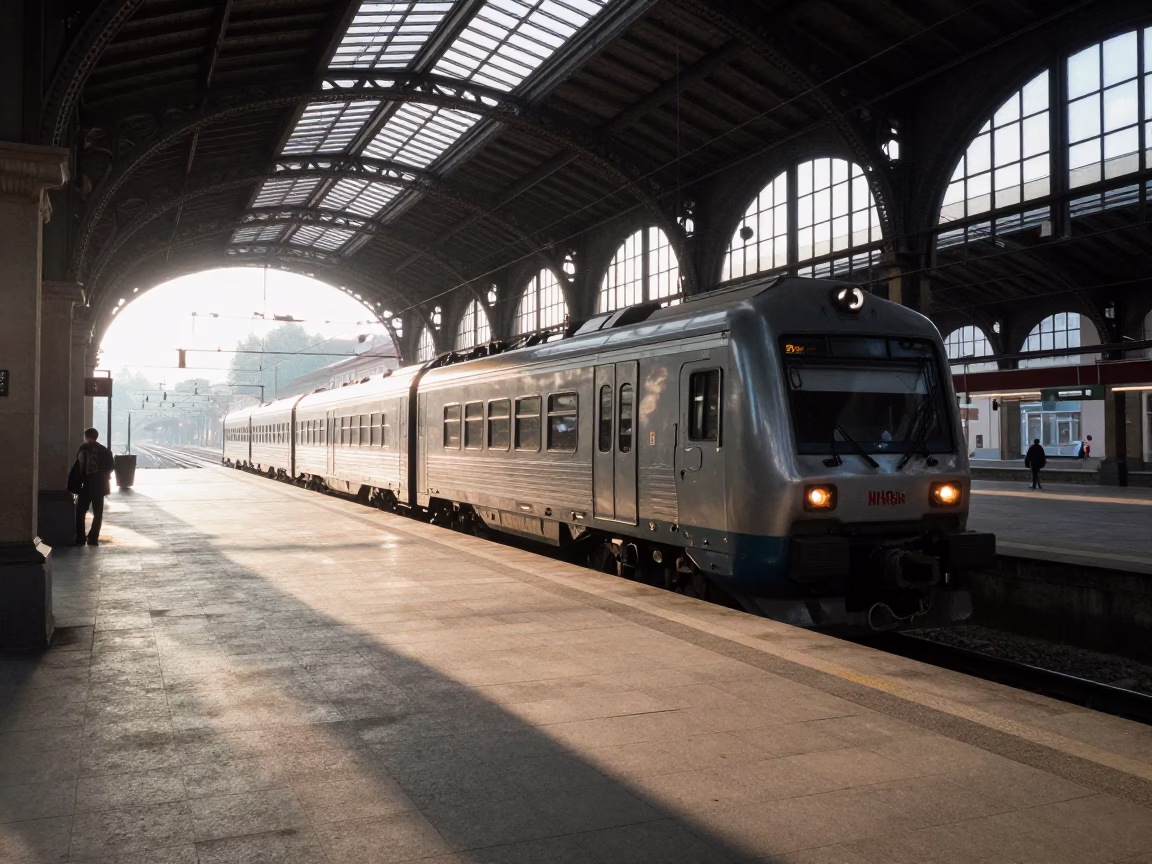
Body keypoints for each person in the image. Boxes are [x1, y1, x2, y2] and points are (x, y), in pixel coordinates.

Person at [68, 427, 114, 546]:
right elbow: (111, 467)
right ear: (96, 437)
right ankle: (93, 538)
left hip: (86, 484)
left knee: (80, 511)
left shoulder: (84, 449)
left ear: (86, 437)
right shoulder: (105, 450)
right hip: (100, 485)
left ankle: (80, 537)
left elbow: (79, 465)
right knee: (98, 512)